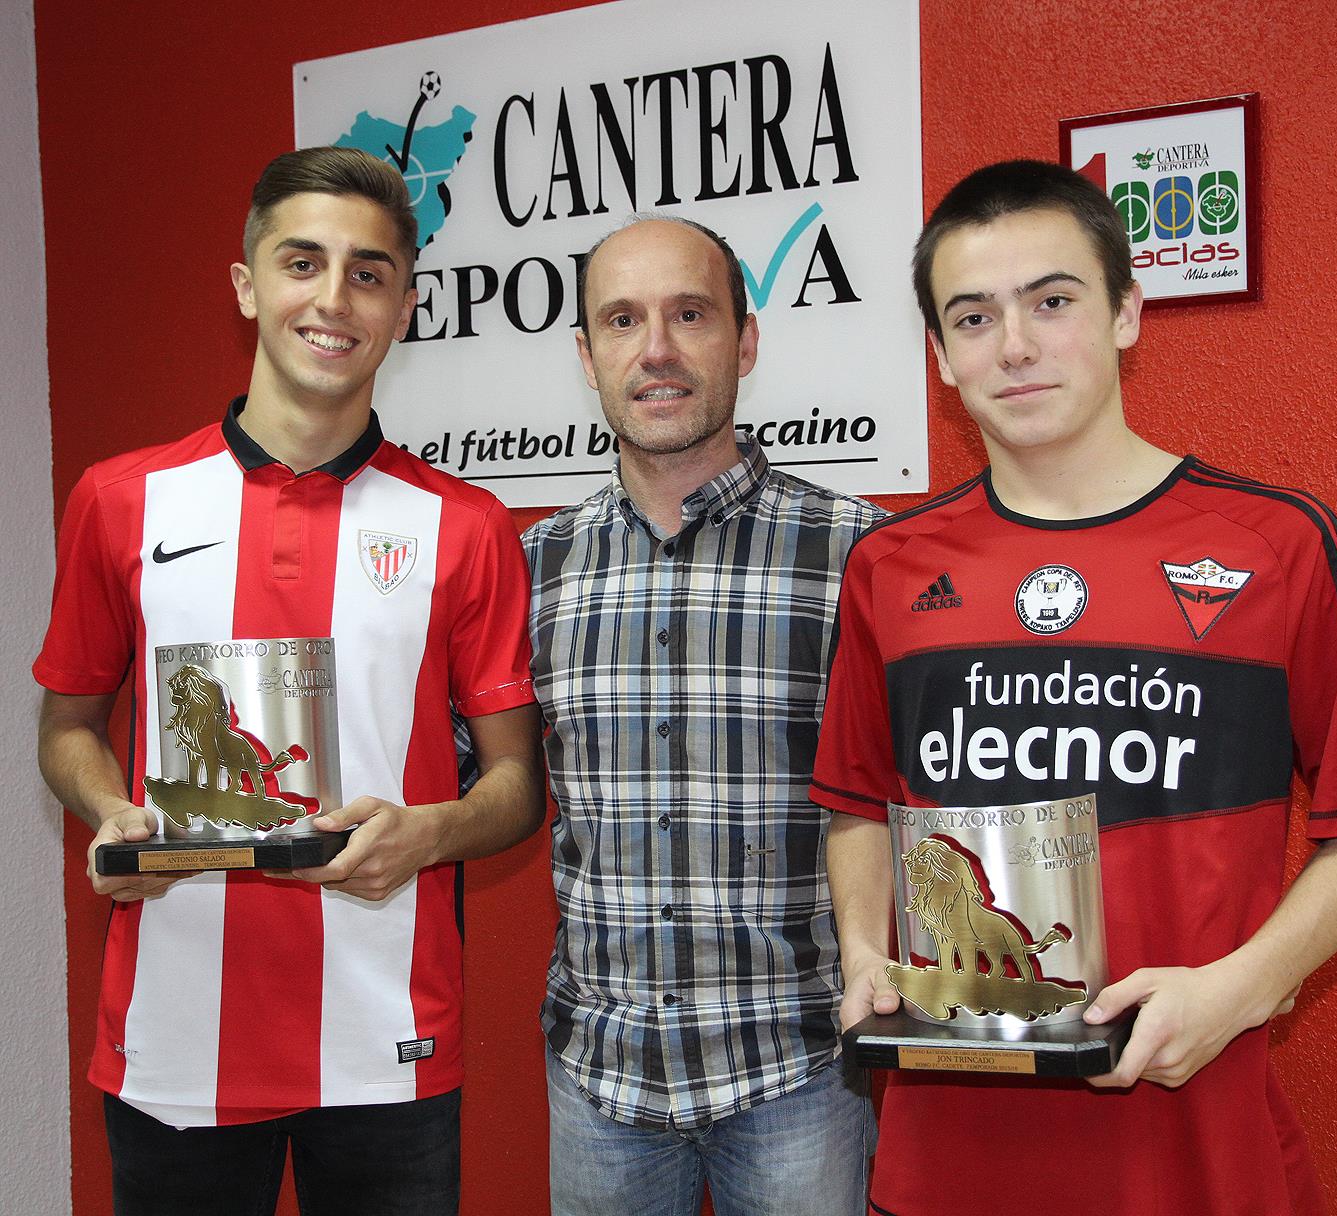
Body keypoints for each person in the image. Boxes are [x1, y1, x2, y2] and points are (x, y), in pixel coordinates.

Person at [812, 159, 1337, 1216]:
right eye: (972, 316)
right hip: (946, 1154)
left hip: (1191, 1152)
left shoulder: (1277, 544)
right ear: (938, 355)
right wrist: (865, 950)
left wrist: (1236, 990)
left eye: (1052, 301)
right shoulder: (890, 566)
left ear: (1127, 311)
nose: (1013, 345)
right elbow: (860, 806)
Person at [34, 146, 544, 1216]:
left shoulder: (466, 525)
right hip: (176, 1038)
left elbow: (514, 788)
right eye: (301, 260)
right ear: (246, 283)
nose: (332, 296)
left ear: (403, 305)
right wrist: (110, 811)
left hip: (387, 1040)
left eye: (367, 273)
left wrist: (430, 832)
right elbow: (68, 726)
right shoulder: (120, 500)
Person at [522, 215, 882, 1216]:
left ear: (746, 339)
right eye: (623, 321)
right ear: (586, 357)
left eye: (691, 314)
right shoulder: (534, 567)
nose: (658, 351)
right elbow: (463, 773)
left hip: (800, 1068)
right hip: (601, 1077)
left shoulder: (863, 556)